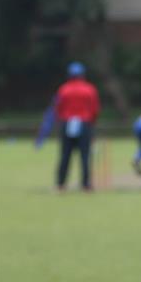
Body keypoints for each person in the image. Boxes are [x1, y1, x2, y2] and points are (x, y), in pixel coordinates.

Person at [54, 62, 100, 192]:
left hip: (67, 123)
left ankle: (60, 184)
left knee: (65, 155)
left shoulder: (63, 89)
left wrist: (60, 123)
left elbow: (58, 108)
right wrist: (92, 123)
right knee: (85, 156)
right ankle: (86, 185)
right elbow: (95, 109)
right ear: (82, 75)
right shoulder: (90, 89)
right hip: (85, 124)